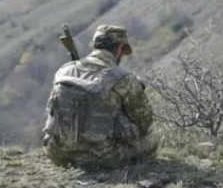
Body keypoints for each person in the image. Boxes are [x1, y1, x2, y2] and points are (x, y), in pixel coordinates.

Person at [43, 25, 157, 168]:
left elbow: (52, 113)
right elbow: (144, 121)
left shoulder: (64, 71)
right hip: (102, 158)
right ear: (119, 48)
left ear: (95, 45)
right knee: (151, 141)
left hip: (57, 154)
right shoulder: (123, 78)